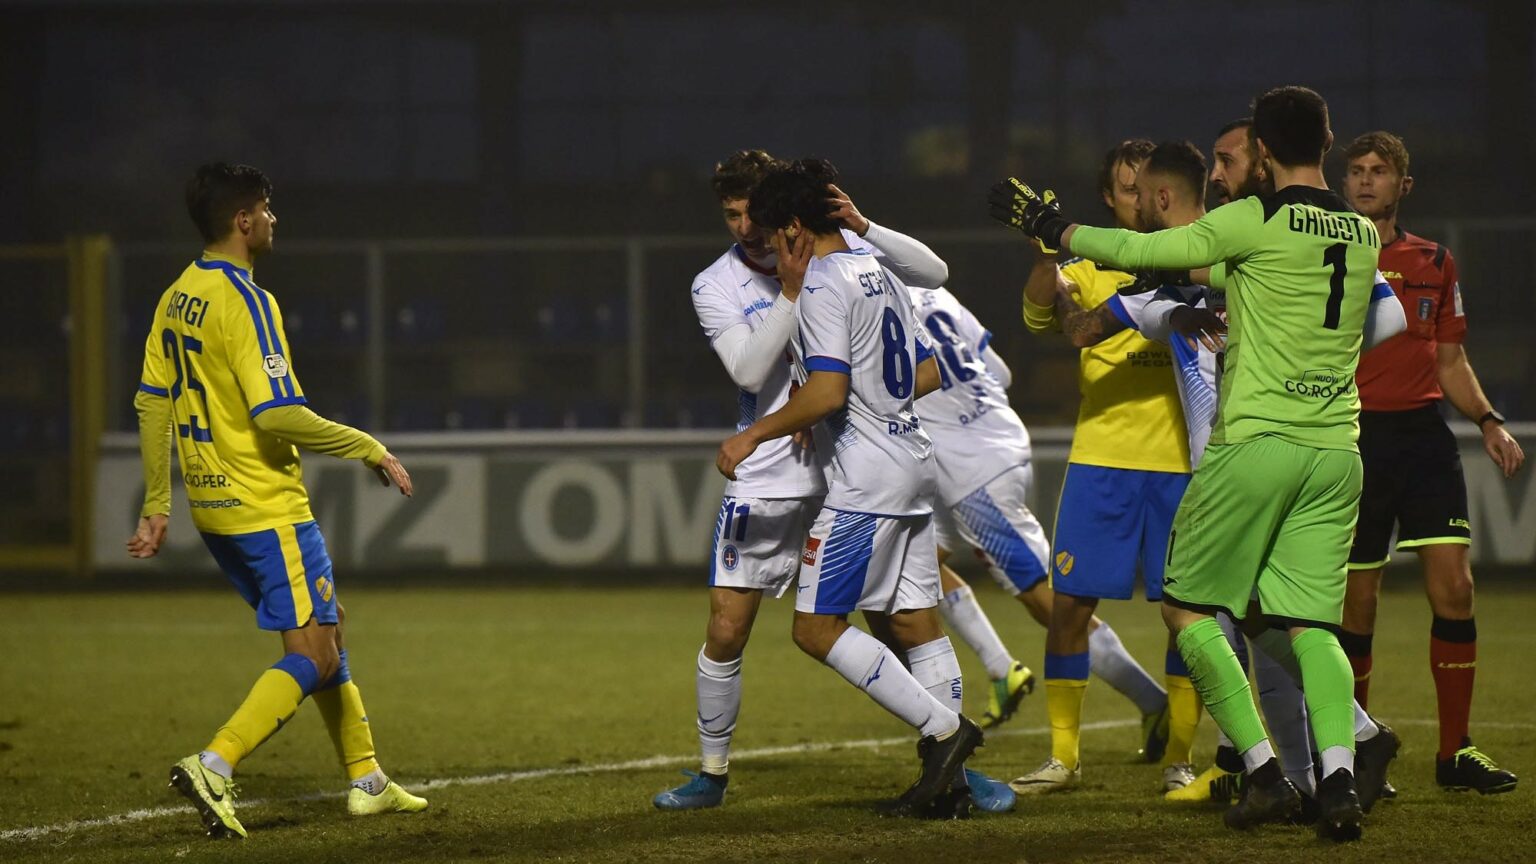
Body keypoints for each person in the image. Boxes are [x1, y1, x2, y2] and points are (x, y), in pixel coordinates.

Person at [991, 85, 1385, 842]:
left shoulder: (1254, 217)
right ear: (1328, 144)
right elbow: (1254, 286)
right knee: (1308, 625)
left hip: (1257, 445)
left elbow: (1147, 248)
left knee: (1187, 608)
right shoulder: (1360, 232)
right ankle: (1339, 784)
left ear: (1264, 152)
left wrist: (1053, 227)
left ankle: (1266, 774)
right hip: (1337, 451)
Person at [129, 162, 427, 840]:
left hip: (213, 508)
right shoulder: (247, 300)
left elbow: (152, 401)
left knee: (326, 629)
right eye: (266, 209)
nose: (272, 219)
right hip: (268, 505)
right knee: (316, 654)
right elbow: (275, 413)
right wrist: (367, 446)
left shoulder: (177, 296)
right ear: (242, 221)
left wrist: (157, 503)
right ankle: (215, 762)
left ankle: (368, 777)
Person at [653, 150, 956, 811]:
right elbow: (746, 368)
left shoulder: (844, 261)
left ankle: (951, 752)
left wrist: (823, 392)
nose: (746, 229)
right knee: (729, 627)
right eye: (734, 215)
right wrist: (789, 299)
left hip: (842, 466)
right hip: (769, 479)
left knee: (897, 620)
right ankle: (711, 773)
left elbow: (847, 374)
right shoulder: (719, 284)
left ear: (785, 215)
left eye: (754, 214)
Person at [1114, 137, 1404, 810]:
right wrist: (1174, 308)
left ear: (1263, 162)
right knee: (1260, 616)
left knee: (1213, 609)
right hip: (1278, 446)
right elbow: (1116, 312)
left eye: (1230, 158)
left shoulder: (1271, 227)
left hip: (1253, 448)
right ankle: (1342, 751)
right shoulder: (1237, 236)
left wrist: (1305, 356)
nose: (1219, 172)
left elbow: (1386, 312)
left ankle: (1286, 775)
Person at [1340, 130, 1524, 794]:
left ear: (1402, 186)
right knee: (1357, 604)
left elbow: (1450, 360)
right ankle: (1358, 752)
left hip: (1423, 439)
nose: (1365, 181)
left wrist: (1489, 419)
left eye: (1378, 171)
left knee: (1456, 590)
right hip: (1351, 440)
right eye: (1355, 171)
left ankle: (1455, 753)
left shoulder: (1435, 261)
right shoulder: (1327, 257)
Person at [1010, 139, 1188, 796]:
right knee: (1069, 610)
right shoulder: (1086, 266)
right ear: (1109, 199)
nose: (1139, 197)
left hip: (1181, 464)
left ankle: (1182, 758)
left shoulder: (1193, 260)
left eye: (1148, 185)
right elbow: (1038, 315)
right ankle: (1063, 758)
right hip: (1102, 461)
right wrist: (1044, 253)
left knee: (1188, 615)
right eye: (1125, 187)